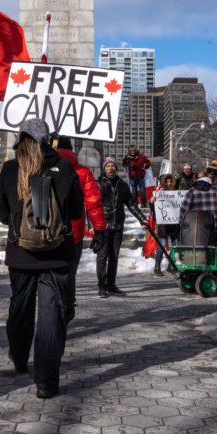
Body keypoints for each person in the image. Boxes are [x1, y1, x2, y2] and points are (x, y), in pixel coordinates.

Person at [0, 118, 82, 399]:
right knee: (51, 318)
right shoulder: (66, 168)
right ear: (48, 140)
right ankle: (46, 382)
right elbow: (76, 211)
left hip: (20, 253)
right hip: (58, 255)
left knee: (19, 310)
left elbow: (2, 213)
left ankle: (20, 358)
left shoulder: (10, 169)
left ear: (21, 139)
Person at [54, 135, 106, 321]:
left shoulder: (43, 168)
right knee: (69, 272)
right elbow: (93, 202)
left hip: (45, 231)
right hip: (73, 232)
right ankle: (68, 306)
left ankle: (51, 308)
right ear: (72, 150)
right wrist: (99, 228)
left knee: (50, 273)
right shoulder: (82, 172)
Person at [96, 156, 134, 298]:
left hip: (117, 225)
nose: (110, 168)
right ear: (104, 168)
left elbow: (131, 204)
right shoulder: (98, 183)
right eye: (108, 166)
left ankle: (111, 284)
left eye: (113, 166)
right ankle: (101, 286)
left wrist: (142, 220)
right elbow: (92, 205)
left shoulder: (123, 184)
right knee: (102, 257)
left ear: (116, 168)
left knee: (114, 257)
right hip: (103, 225)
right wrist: (93, 225)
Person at [178, 168, 217, 244]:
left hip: (195, 232)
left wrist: (182, 226)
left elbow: (183, 210)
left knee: (197, 254)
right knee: (214, 253)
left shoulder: (192, 191)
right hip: (215, 230)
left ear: (196, 179)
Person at [148, 173, 180, 276]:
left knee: (175, 246)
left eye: (171, 182)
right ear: (164, 182)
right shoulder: (160, 192)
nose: (169, 183)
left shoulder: (176, 193)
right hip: (163, 224)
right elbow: (154, 208)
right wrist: (152, 202)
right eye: (167, 182)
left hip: (174, 224)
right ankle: (157, 267)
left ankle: (171, 266)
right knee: (161, 246)